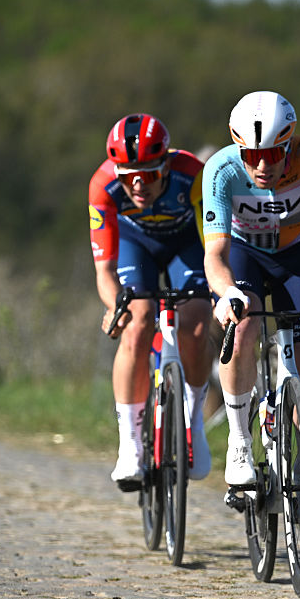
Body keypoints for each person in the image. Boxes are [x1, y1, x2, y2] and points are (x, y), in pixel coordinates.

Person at [202, 90, 300, 530]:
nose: (263, 165)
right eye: (252, 155)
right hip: (245, 256)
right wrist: (226, 294)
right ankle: (240, 441)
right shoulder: (221, 170)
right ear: (238, 148)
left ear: (291, 144)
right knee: (243, 332)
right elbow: (215, 254)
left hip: (299, 253)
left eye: (274, 153)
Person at [89, 113, 215, 488]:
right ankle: (130, 445)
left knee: (195, 323)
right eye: (129, 176)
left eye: (150, 174)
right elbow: (105, 272)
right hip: (134, 245)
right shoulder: (102, 186)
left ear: (167, 163)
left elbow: (215, 241)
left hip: (186, 244)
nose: (139, 185)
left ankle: (194, 425)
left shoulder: (192, 173)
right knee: (137, 323)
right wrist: (116, 307)